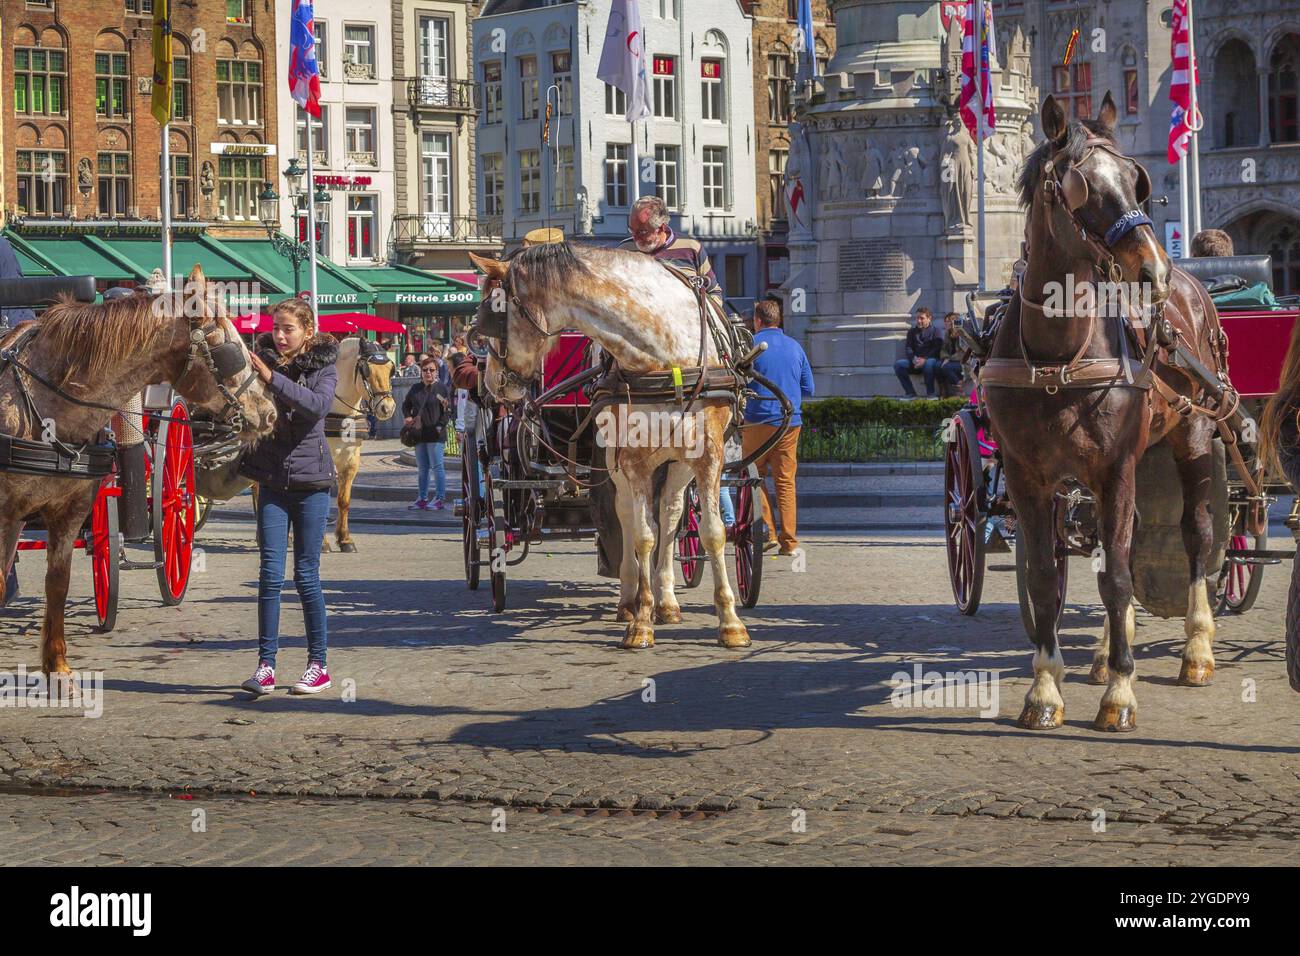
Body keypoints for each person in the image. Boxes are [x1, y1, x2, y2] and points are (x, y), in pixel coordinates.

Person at [238, 298, 338, 697]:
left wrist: (271, 377)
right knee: (268, 574)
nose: (279, 336)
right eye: (276, 328)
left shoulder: (323, 367)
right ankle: (266, 666)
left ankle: (319, 664)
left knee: (307, 576)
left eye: (288, 329)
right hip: (273, 482)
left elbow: (316, 406)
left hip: (312, 483)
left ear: (307, 332)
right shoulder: (261, 362)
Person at [742, 300, 814, 556]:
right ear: (779, 320)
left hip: (757, 421)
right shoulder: (795, 347)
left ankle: (768, 532)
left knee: (754, 476)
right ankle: (790, 543)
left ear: (757, 320)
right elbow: (809, 388)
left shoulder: (751, 346)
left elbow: (739, 384)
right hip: (789, 422)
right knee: (785, 482)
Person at [404, 355, 450, 510]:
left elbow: (447, 410)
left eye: (432, 370)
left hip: (435, 434)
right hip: (419, 434)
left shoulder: (441, 388)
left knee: (437, 466)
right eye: (425, 370)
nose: (428, 373)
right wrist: (408, 416)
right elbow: (406, 405)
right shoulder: (415, 388)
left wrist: (440, 425)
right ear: (421, 372)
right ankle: (422, 498)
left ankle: (439, 498)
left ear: (437, 372)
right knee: (422, 468)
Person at [893, 307, 944, 399]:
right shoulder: (912, 332)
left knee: (928, 364)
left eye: (922, 318)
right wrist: (914, 359)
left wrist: (925, 359)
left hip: (931, 360)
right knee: (898, 365)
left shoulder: (936, 331)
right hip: (915, 361)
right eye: (917, 318)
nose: (919, 321)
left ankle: (930, 394)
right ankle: (910, 393)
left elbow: (937, 348)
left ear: (929, 318)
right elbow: (909, 348)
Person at [939, 311, 965, 392]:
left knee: (946, 367)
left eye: (948, 321)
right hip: (952, 361)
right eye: (945, 321)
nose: (946, 324)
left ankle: (958, 384)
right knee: (936, 366)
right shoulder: (948, 334)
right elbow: (943, 349)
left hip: (964, 363)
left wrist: (949, 359)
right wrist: (945, 357)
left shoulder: (962, 334)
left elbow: (963, 353)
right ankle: (943, 391)